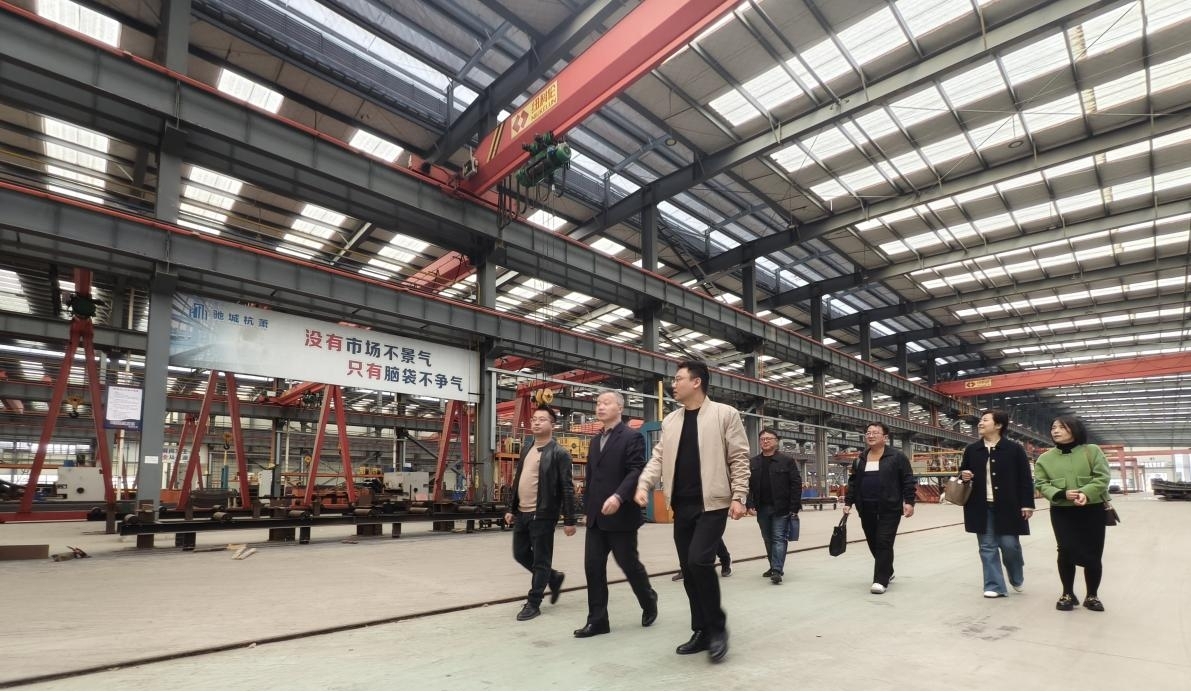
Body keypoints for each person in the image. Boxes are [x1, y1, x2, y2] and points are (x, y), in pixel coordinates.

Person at [635, 361, 750, 663]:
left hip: (713, 503)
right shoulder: (671, 421)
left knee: (699, 560)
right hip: (681, 505)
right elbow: (658, 458)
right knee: (688, 569)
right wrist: (644, 484)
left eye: (678, 379)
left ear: (696, 382)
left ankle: (717, 628)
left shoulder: (725, 414)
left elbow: (739, 457)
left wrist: (739, 495)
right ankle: (701, 630)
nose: (673, 385)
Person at [574, 391, 657, 638]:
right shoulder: (594, 441)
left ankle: (648, 599)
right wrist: (587, 510)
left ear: (620, 408)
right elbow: (591, 479)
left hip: (621, 517)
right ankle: (598, 621)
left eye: (606, 403)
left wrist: (619, 497)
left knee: (628, 564)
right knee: (593, 567)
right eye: (598, 403)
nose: (600, 407)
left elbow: (636, 471)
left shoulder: (632, 437)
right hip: (597, 518)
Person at [504, 406, 577, 621]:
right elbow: (518, 480)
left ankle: (534, 603)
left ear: (552, 425)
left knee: (541, 560)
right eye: (534, 419)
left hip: (543, 514)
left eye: (542, 419)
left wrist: (570, 519)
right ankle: (553, 578)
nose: (536, 422)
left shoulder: (560, 453)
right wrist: (511, 508)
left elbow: (567, 488)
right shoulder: (526, 449)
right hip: (522, 512)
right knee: (520, 553)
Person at [1034, 415, 1111, 612]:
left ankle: (1092, 595)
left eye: (1062, 427)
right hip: (1062, 511)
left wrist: (1086, 492)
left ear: (1075, 430)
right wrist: (1061, 494)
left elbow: (1102, 477)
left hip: (1092, 509)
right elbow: (1041, 483)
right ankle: (1067, 593)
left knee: (1093, 551)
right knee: (1065, 550)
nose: (1055, 431)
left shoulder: (1092, 451)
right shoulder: (1045, 458)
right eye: (1053, 427)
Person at [958, 409, 1035, 598]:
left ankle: (1016, 575)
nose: (980, 423)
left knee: (1010, 546)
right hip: (979, 506)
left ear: (998, 425)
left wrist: (1027, 504)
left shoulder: (1014, 449)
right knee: (987, 547)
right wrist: (964, 475)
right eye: (980, 420)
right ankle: (994, 586)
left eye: (985, 420)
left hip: (1009, 505)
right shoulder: (972, 449)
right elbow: (963, 472)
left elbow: (1025, 478)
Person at [843, 422, 916, 594]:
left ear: (885, 437)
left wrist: (909, 502)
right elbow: (853, 483)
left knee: (884, 541)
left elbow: (908, 480)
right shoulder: (860, 459)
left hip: (889, 507)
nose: (870, 435)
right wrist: (848, 502)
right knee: (873, 541)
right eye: (868, 432)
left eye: (875, 432)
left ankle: (880, 580)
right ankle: (888, 570)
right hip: (865, 506)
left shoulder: (897, 457)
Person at [747, 427, 802, 584]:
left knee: (778, 538)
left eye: (768, 439)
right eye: (762, 439)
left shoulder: (787, 461)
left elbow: (796, 484)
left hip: (781, 507)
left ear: (776, 442)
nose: (765, 441)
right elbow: (748, 486)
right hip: (762, 507)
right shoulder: (753, 462)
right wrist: (749, 504)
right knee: (767, 538)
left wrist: (794, 507)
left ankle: (777, 570)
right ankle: (773, 566)